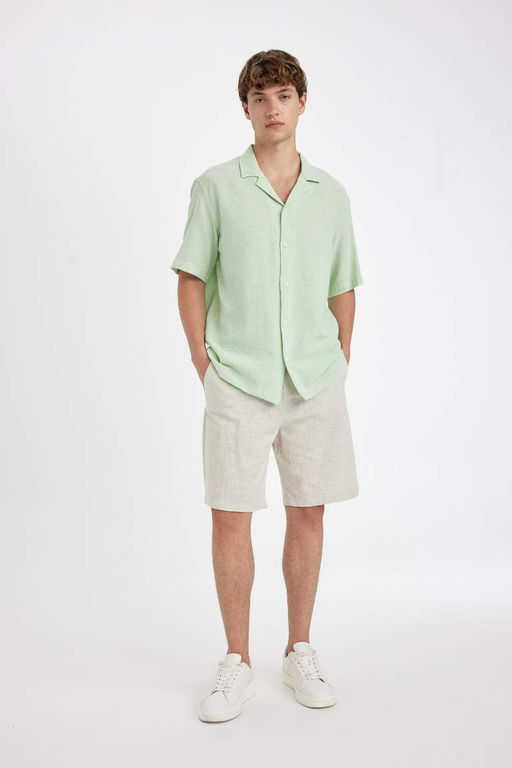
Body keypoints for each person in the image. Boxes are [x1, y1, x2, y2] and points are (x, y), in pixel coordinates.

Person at [170, 49, 363, 723]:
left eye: (284, 95)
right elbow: (191, 276)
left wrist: (339, 358)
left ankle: (298, 648)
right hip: (238, 376)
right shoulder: (215, 187)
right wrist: (204, 362)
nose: (272, 108)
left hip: (314, 379)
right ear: (246, 109)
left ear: (302, 103)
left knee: (309, 511)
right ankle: (237, 661)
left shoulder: (331, 195)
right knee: (231, 513)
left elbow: (344, 283)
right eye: (260, 98)